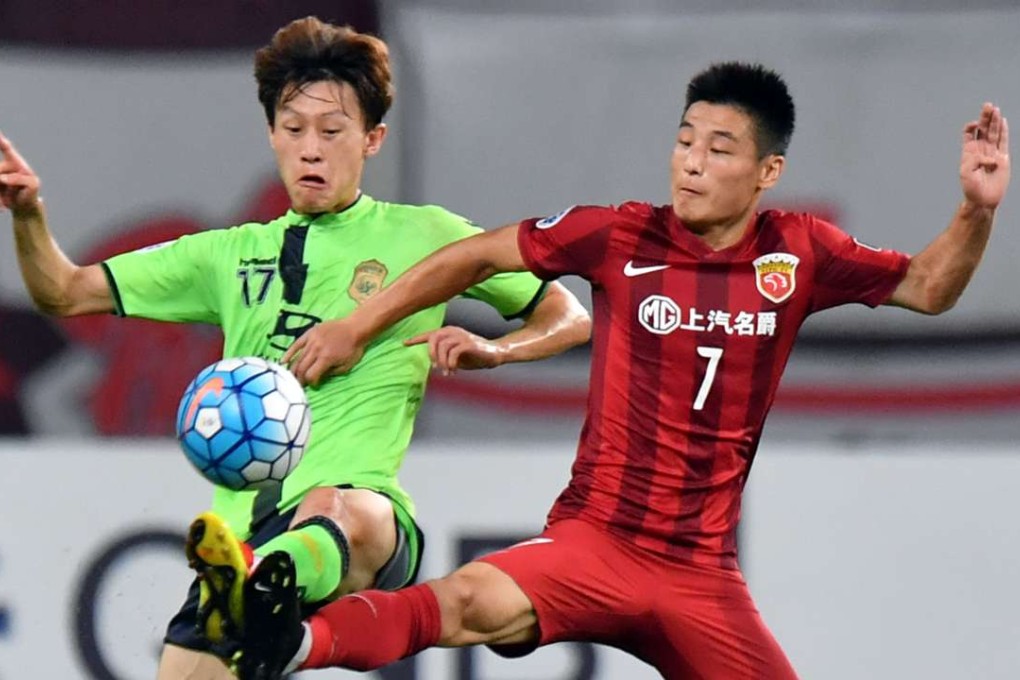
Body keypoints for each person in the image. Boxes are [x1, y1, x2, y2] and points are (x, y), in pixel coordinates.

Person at [216, 61, 1010, 680]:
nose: (691, 163)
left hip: (703, 577)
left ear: (766, 173)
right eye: (684, 140)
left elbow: (929, 287)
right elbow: (470, 255)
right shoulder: (620, 236)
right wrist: (360, 324)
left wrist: (975, 211)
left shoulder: (798, 251)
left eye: (719, 148)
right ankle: (292, 644)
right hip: (595, 544)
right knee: (464, 602)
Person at [0, 16, 591, 680]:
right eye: (294, 129)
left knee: (338, 509)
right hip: (243, 541)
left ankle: (266, 575)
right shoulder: (228, 254)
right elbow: (68, 292)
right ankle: (251, 586)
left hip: (363, 524)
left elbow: (566, 313)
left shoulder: (427, 237)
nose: (311, 149)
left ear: (373, 140)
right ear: (271, 135)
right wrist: (29, 214)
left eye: (332, 132)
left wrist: (499, 350)